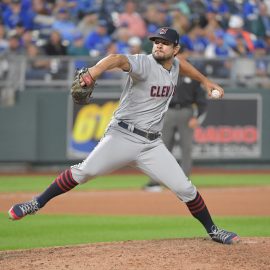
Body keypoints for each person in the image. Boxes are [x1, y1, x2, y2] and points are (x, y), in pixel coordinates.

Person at [8, 27, 239, 245]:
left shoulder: (175, 65)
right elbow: (117, 59)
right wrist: (94, 72)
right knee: (85, 171)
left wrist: (206, 81)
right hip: (122, 136)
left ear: (175, 49)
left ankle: (213, 230)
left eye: (165, 44)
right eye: (156, 42)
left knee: (186, 189)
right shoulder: (143, 63)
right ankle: (35, 203)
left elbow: (183, 65)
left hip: (151, 145)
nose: (158, 46)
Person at [144, 46, 208, 192]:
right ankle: (155, 181)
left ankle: (183, 183)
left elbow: (201, 101)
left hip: (186, 112)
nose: (181, 56)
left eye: (183, 53)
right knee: (161, 148)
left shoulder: (192, 73)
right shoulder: (164, 69)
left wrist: (197, 118)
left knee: (186, 148)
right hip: (168, 112)